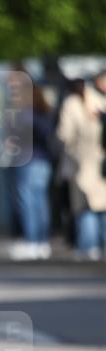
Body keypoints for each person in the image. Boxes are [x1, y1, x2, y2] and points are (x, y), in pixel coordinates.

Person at [57, 77, 106, 260]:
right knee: (102, 205)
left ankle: (88, 245)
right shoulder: (100, 100)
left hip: (81, 161)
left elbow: (64, 134)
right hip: (101, 161)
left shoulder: (71, 104)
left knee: (84, 207)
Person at [8, 83, 55, 261]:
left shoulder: (25, 114)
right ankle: (42, 241)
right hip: (44, 161)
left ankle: (32, 240)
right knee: (41, 202)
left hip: (28, 161)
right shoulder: (45, 112)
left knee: (28, 202)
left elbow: (16, 135)